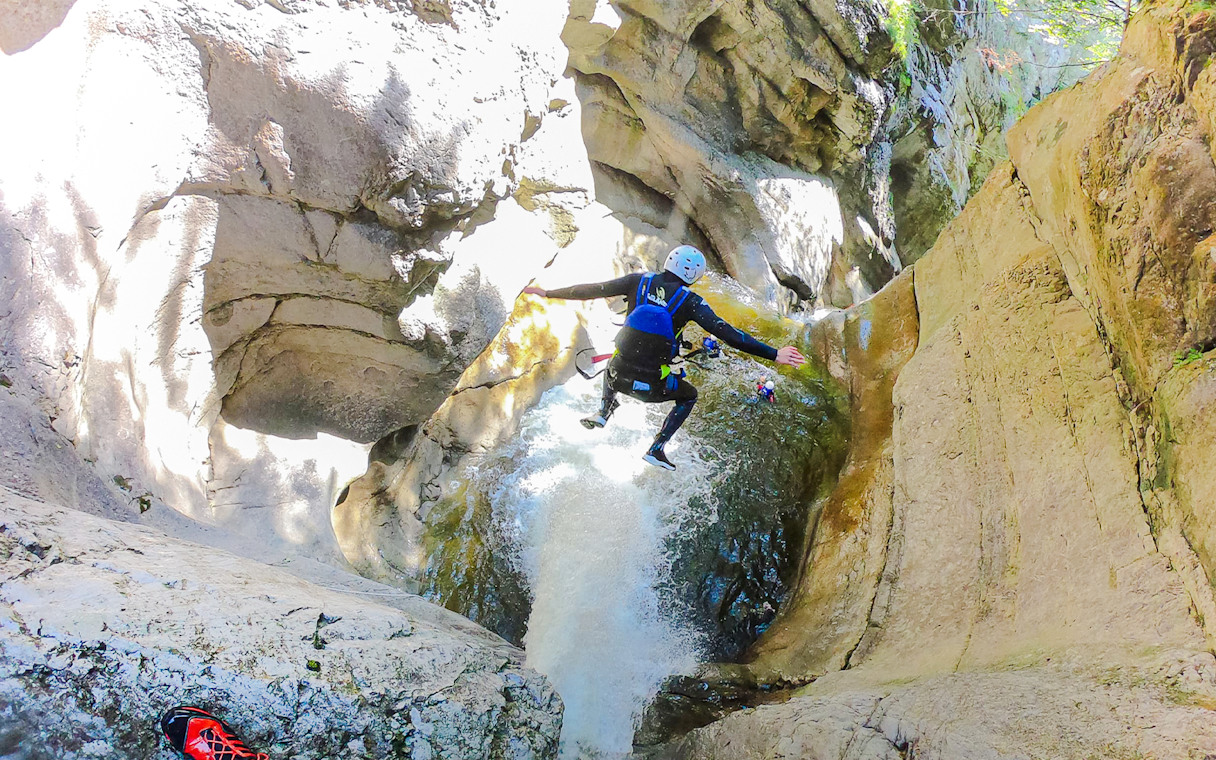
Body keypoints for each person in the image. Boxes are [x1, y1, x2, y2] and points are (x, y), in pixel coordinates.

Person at [523, 245, 806, 471]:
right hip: (654, 388)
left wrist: (547, 293)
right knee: (689, 395)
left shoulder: (637, 281)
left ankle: (603, 411)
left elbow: (591, 290)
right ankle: (657, 448)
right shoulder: (692, 302)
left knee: (618, 354)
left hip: (617, 377)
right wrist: (774, 354)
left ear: (669, 261)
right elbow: (729, 334)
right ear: (694, 275)